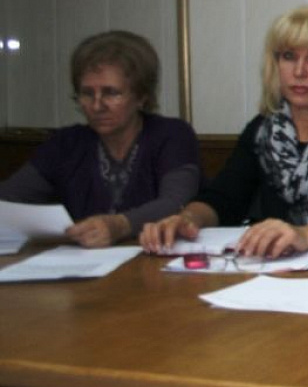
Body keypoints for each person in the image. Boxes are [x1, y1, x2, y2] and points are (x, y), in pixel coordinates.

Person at [140, 6, 308, 257]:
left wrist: (306, 236)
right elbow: (223, 198)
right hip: (276, 266)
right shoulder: (263, 129)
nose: (299, 71)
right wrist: (187, 219)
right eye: (288, 57)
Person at [0, 31, 200, 247]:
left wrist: (119, 225)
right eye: (87, 93)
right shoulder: (66, 144)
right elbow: (8, 199)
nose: (97, 106)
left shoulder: (171, 134)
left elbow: (175, 203)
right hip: (80, 260)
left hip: (154, 256)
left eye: (111, 93)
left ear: (141, 96)